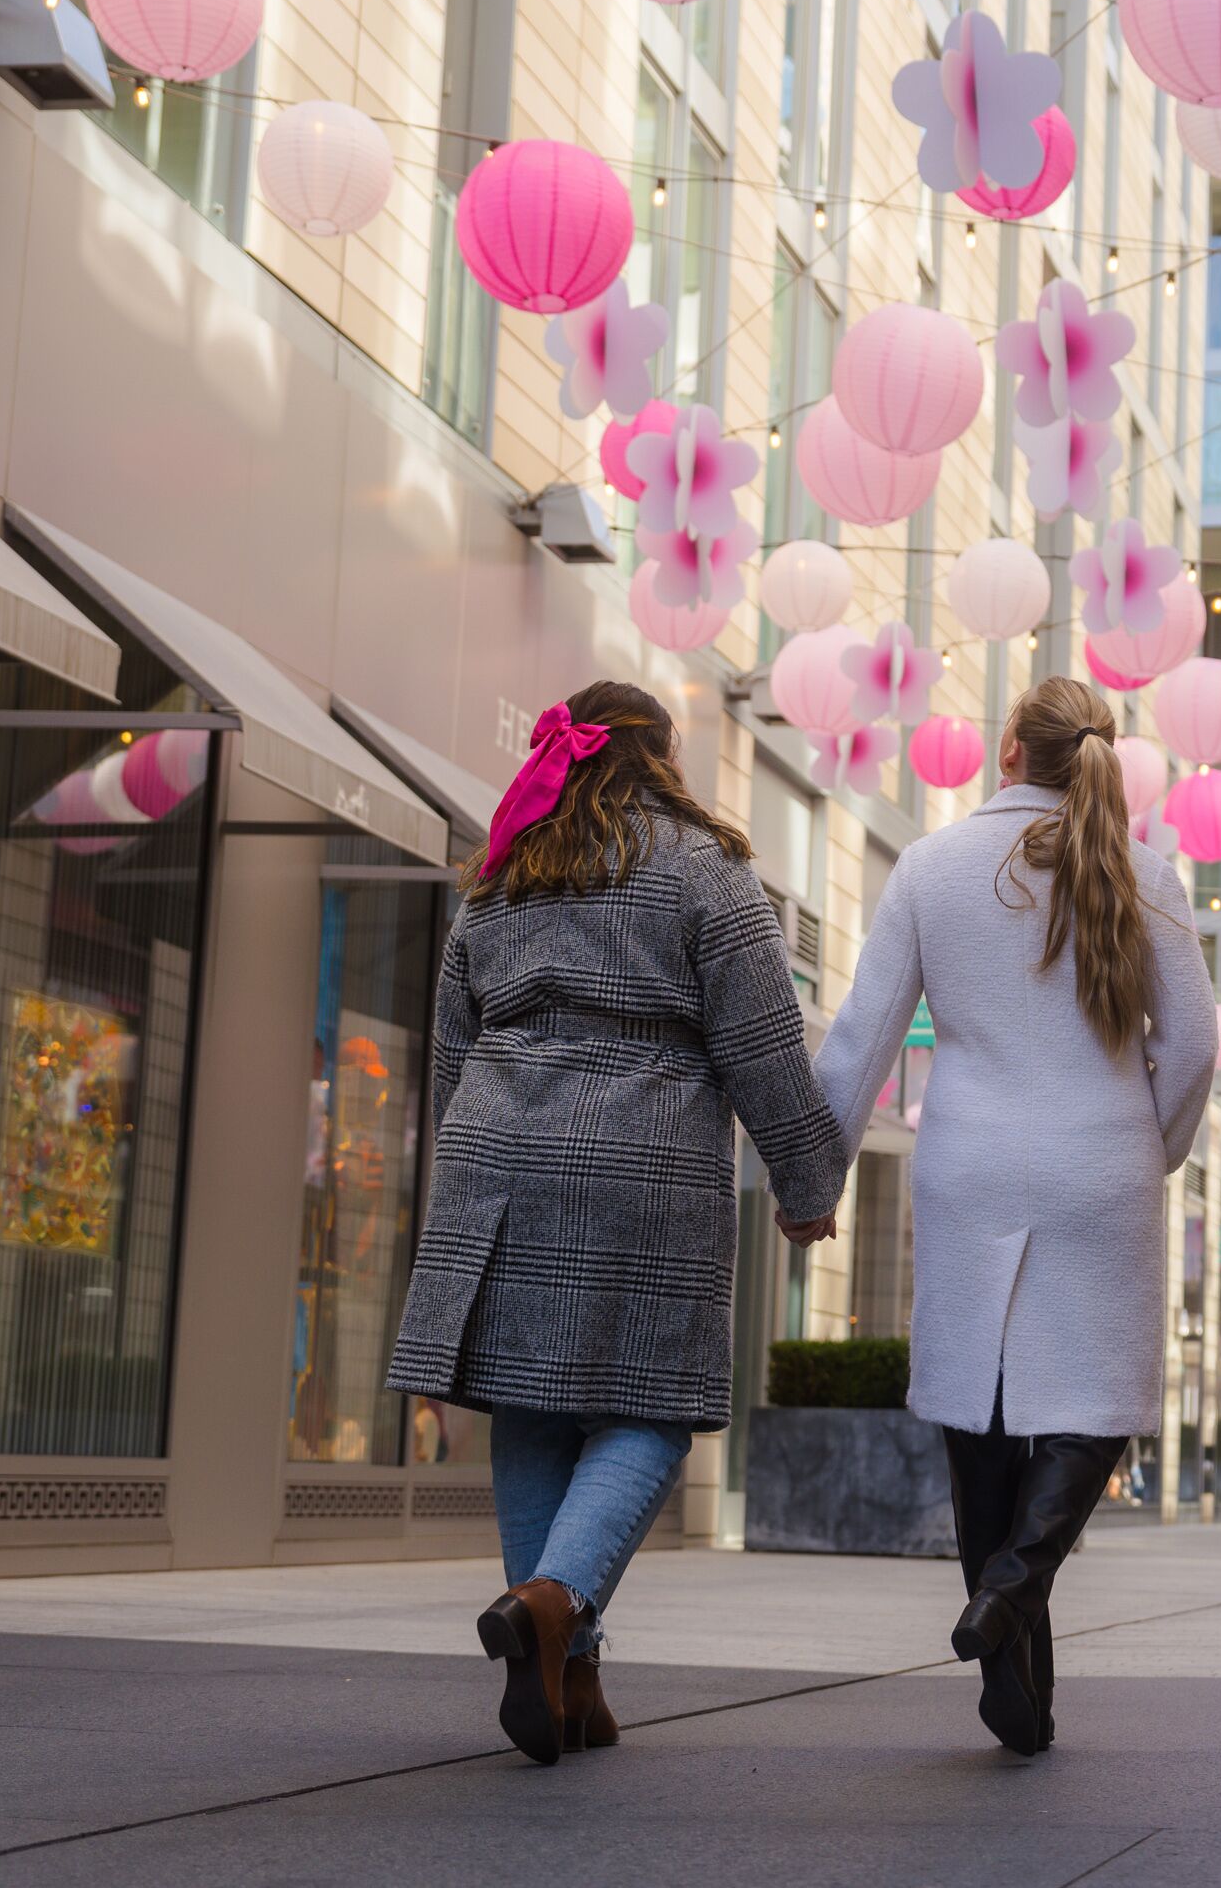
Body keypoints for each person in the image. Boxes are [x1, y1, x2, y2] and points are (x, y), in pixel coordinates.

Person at [386, 683, 847, 1766]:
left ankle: (570, 1672)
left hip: (498, 1156)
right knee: (650, 1408)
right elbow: (765, 1050)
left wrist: (464, 1174)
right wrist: (806, 1181)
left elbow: (450, 1044)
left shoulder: (504, 871)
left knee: (532, 1405)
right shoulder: (704, 867)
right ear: (662, 758)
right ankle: (553, 1604)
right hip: (645, 1160)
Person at [818, 677, 1218, 1758]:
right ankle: (1016, 1592)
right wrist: (1154, 1142)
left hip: (972, 1167)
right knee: (1096, 1401)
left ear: (1008, 749)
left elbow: (862, 1036)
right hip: (1101, 1162)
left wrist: (813, 1178)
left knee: (980, 1409)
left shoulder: (931, 868)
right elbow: (1192, 1044)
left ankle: (1008, 1639)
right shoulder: (1148, 874)